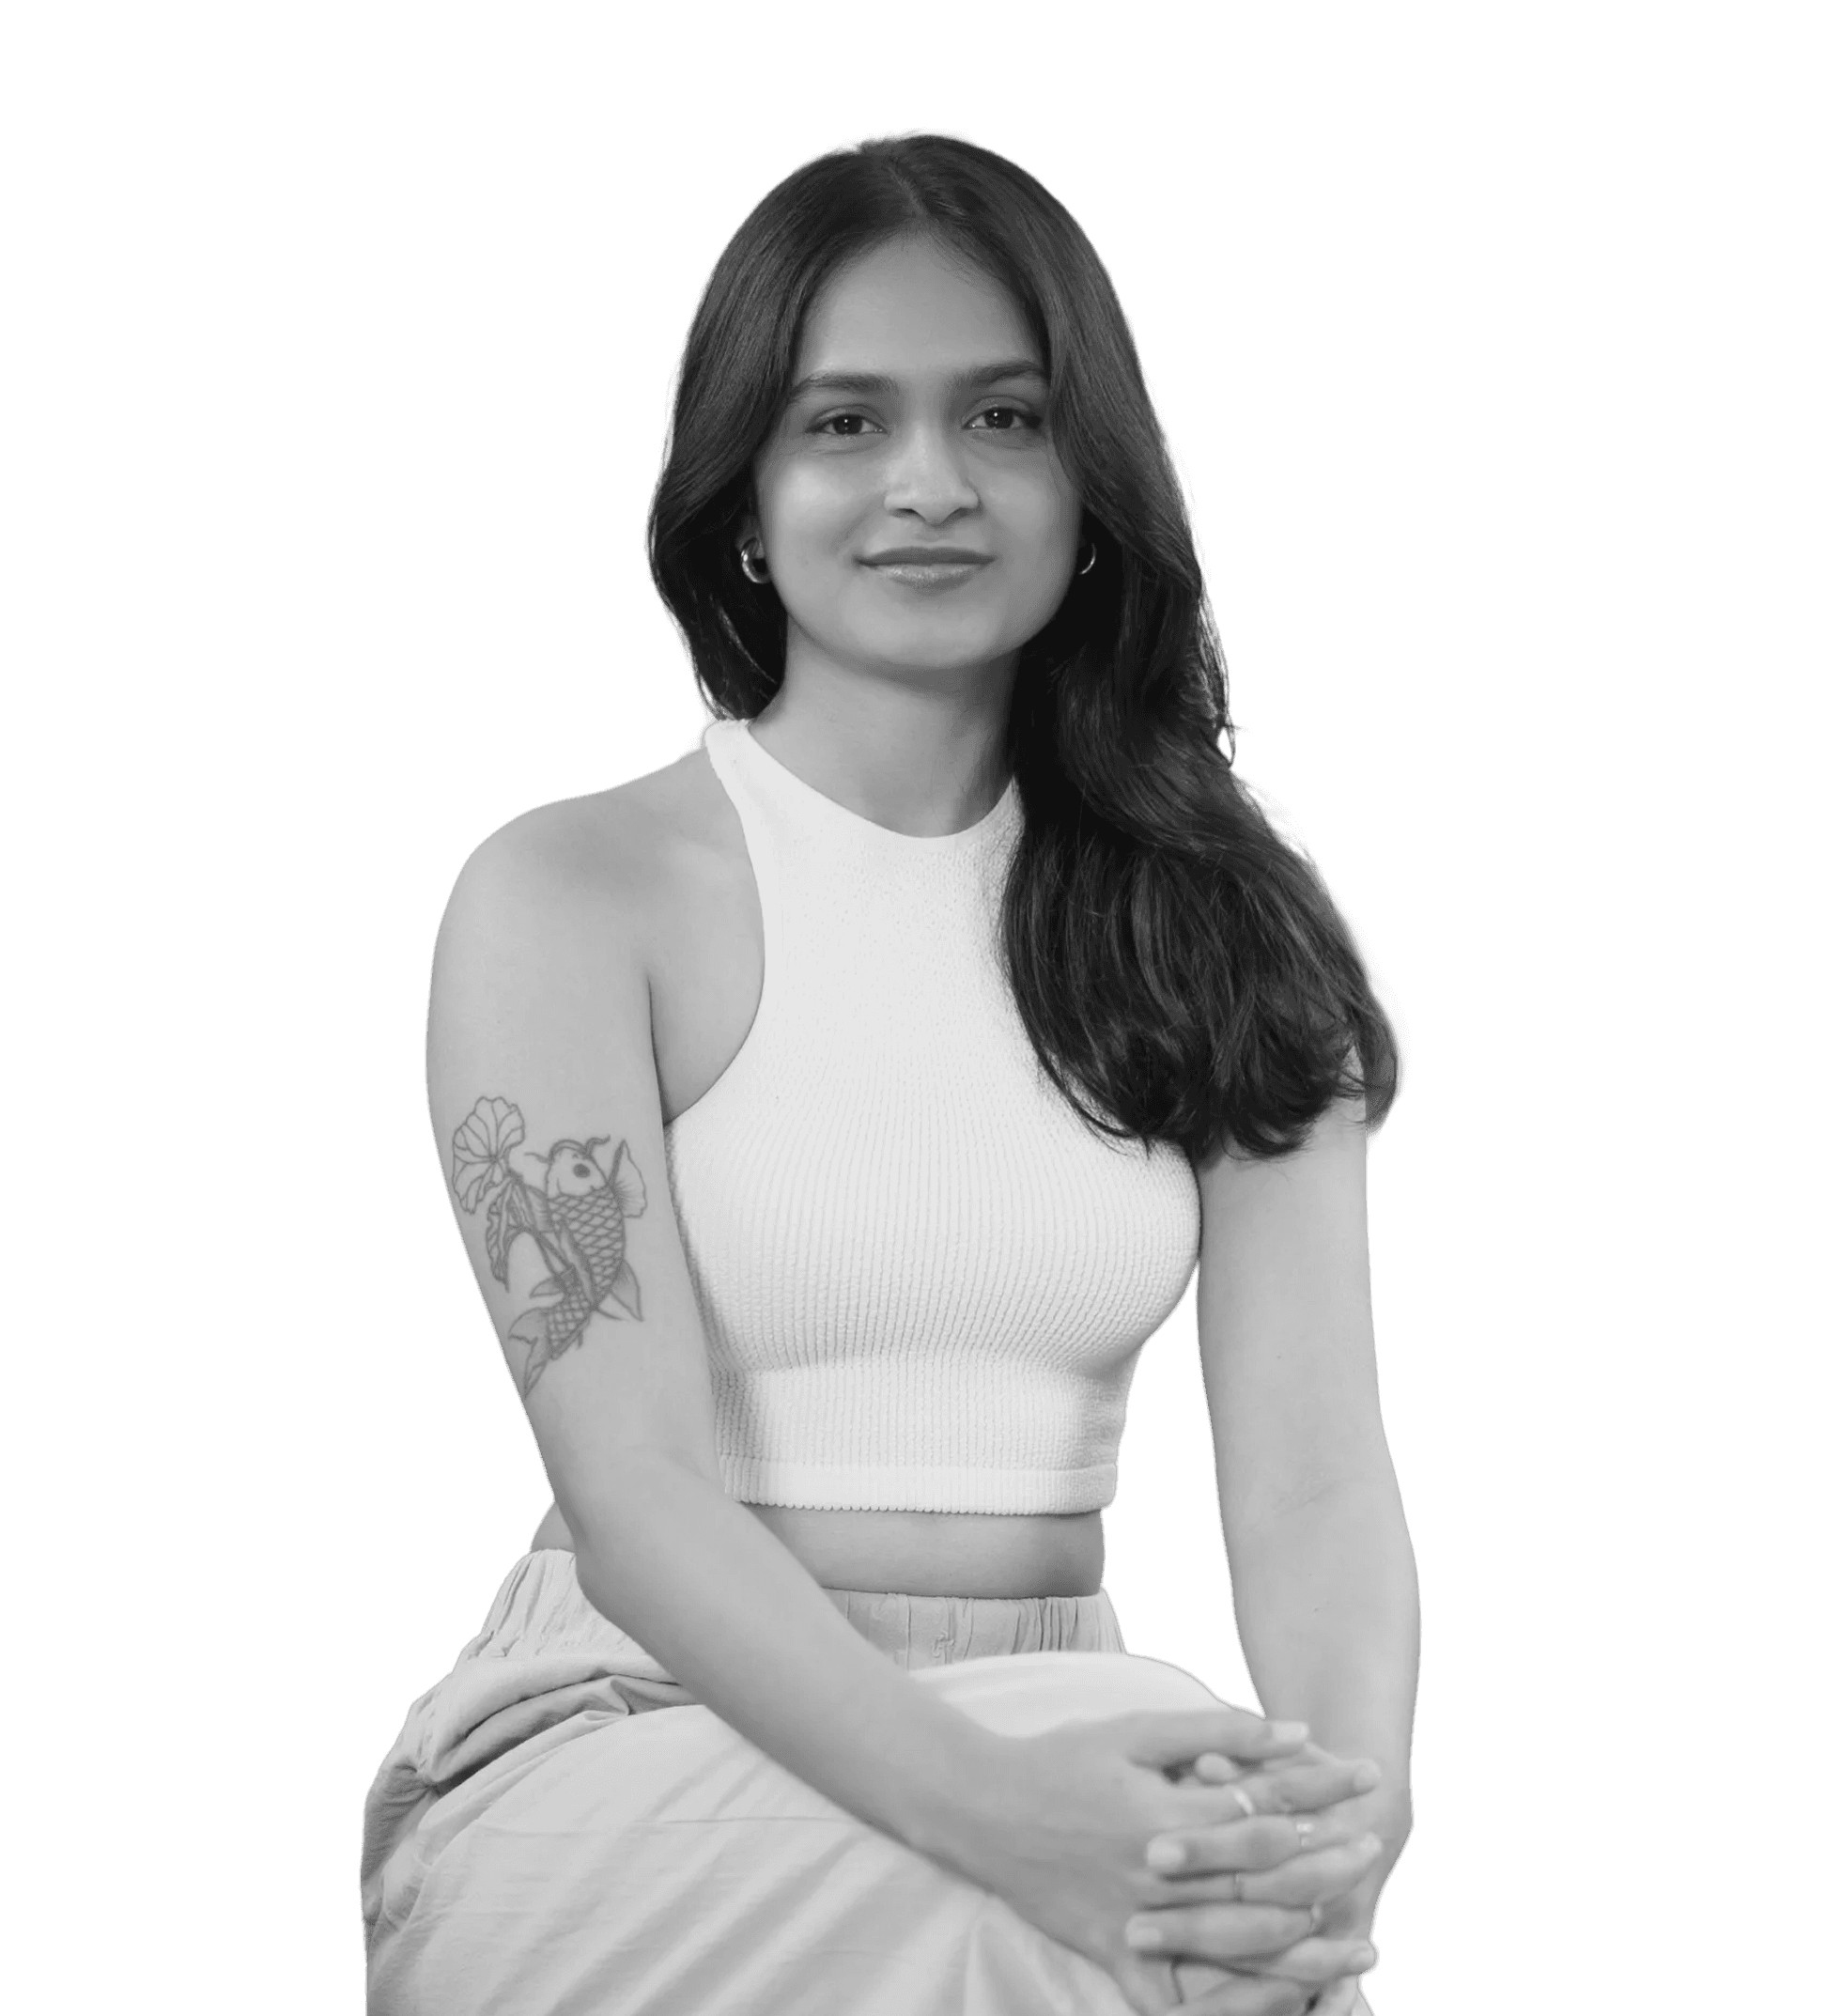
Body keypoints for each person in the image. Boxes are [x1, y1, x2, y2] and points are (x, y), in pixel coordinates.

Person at [360, 130, 1419, 2016]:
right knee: (1147, 1851)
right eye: (844, 422)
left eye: (1004, 417)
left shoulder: (1227, 925)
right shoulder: (571, 894)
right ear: (744, 502)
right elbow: (635, 1499)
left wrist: (1335, 1827)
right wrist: (1032, 1822)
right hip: (611, 1737)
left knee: (1208, 1876)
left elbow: (1317, 1479)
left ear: (1089, 484)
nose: (928, 482)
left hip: (1063, 1718)